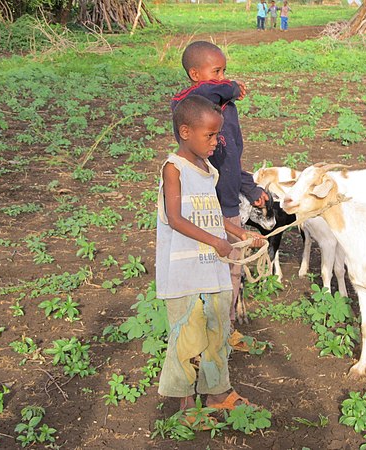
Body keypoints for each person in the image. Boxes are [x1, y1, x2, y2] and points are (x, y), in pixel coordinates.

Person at [156, 95, 264, 417]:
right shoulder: (174, 169)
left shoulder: (208, 170)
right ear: (186, 132)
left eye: (218, 135)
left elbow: (215, 216)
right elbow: (175, 218)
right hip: (186, 276)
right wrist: (217, 243)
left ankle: (218, 393)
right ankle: (186, 406)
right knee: (187, 340)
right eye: (211, 135)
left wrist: (241, 235)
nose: (217, 142)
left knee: (218, 334)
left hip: (212, 271)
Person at [171, 41, 269, 329]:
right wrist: (232, 86)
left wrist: (250, 189)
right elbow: (207, 92)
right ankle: (199, 331)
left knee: (232, 271)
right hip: (200, 211)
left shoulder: (228, 111)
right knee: (202, 269)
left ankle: (224, 329)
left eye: (225, 72)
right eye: (217, 72)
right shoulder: (187, 106)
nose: (223, 78)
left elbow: (234, 158)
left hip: (227, 206)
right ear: (194, 74)